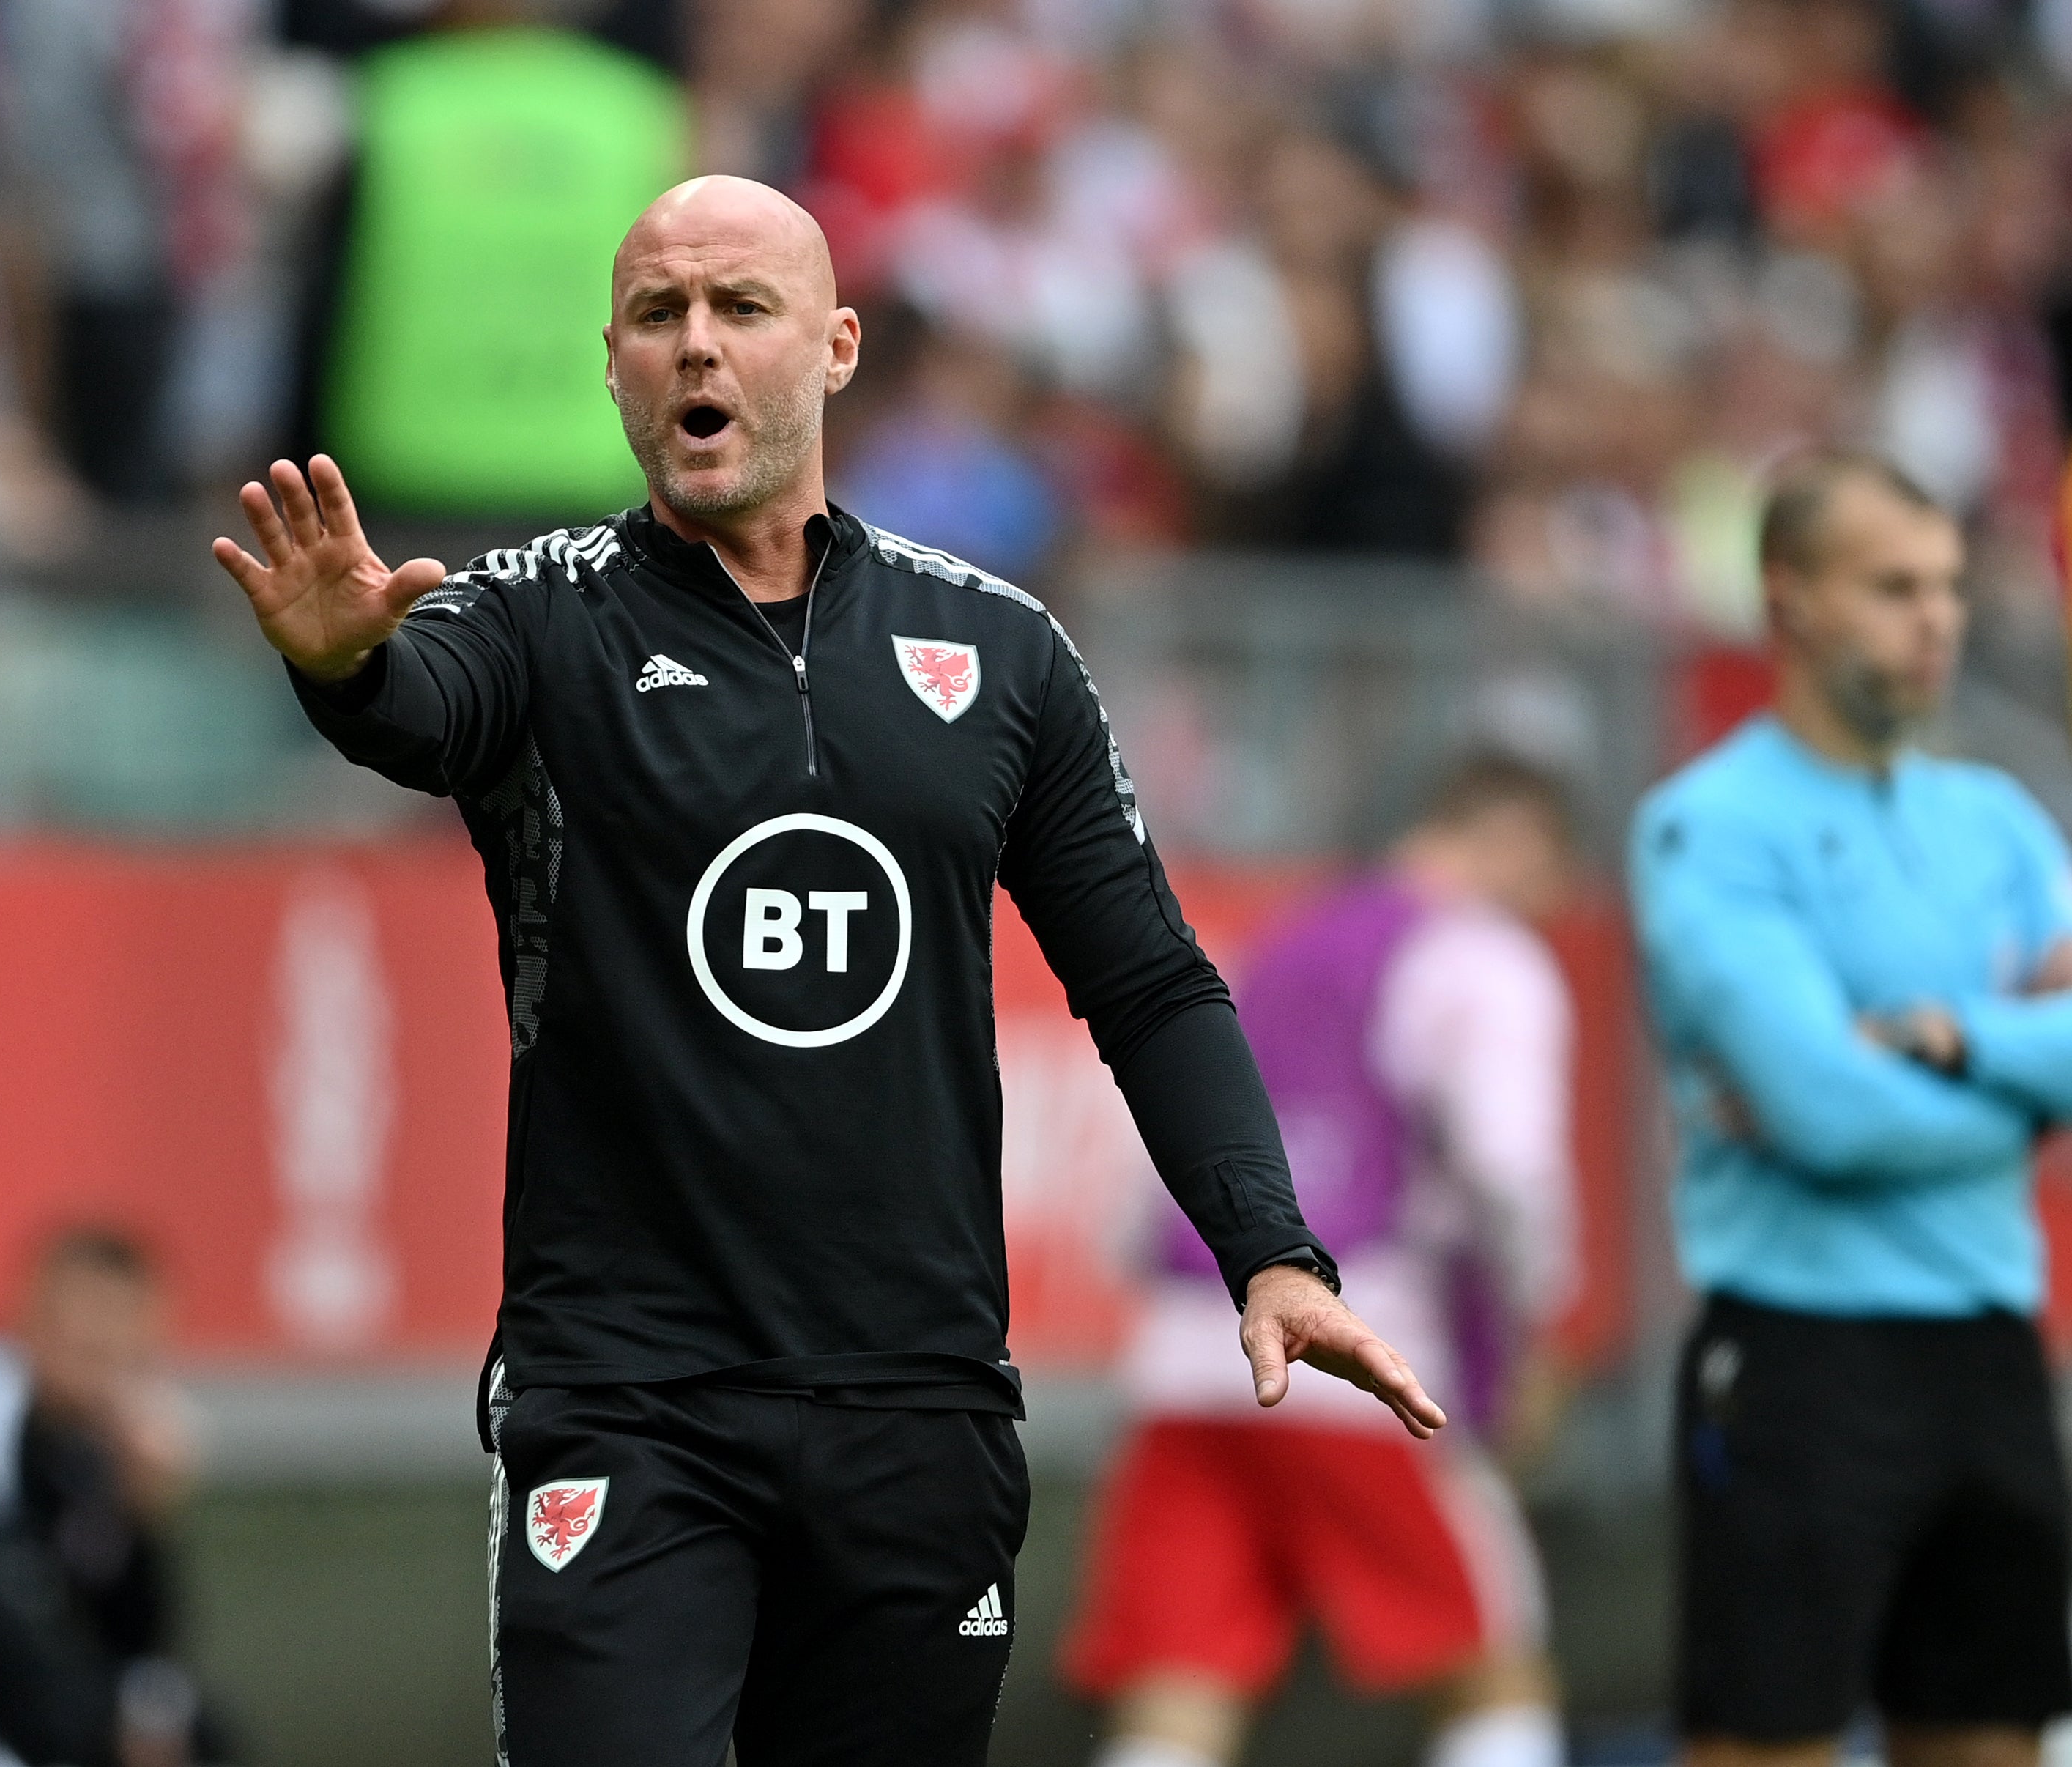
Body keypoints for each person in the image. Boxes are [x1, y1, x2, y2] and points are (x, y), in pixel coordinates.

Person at [207, 173, 1443, 1767]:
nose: (695, 348)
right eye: (658, 316)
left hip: (915, 1407)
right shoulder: (536, 621)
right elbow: (417, 708)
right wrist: (343, 666)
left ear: (837, 347)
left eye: (740, 310)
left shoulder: (1000, 653)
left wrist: (1272, 1251)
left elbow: (1148, 984)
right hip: (628, 1404)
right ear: (611, 363)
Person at [1630, 450, 2072, 1767]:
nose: (1934, 617)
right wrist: (2021, 1096)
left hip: (1990, 1346)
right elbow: (1822, 1110)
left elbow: (1851, 1092)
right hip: (1799, 1359)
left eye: (1944, 586)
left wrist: (1949, 1040)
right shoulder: (1707, 827)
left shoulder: (1993, 822)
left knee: (1991, 1741)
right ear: (1791, 601)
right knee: (1768, 1743)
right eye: (1891, 586)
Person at [1064, 752, 1583, 1767]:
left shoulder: (1285, 938)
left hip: (1187, 1353)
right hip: (1362, 1353)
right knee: (1489, 1660)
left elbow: (1164, 1132)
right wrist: (1537, 1326)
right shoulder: (1479, 957)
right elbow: (1508, 1165)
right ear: (1517, 838)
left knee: (1182, 1675)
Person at [0, 1226, 221, 1767]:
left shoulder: (98, 1449)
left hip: (52, 1718)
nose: (96, 1350)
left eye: (118, 1338)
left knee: (201, 1731)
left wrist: (143, 1521)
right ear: (29, 1315)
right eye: (80, 1328)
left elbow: (134, 1638)